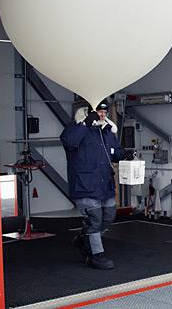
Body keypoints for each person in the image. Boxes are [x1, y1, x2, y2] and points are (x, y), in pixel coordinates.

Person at [60, 98, 126, 270]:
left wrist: (125, 154)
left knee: (109, 216)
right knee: (94, 220)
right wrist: (86, 124)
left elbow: (115, 152)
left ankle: (84, 238)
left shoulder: (107, 131)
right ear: (88, 112)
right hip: (85, 184)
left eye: (104, 112)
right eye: (99, 112)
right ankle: (96, 255)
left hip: (105, 185)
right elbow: (69, 142)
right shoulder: (74, 129)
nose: (102, 115)